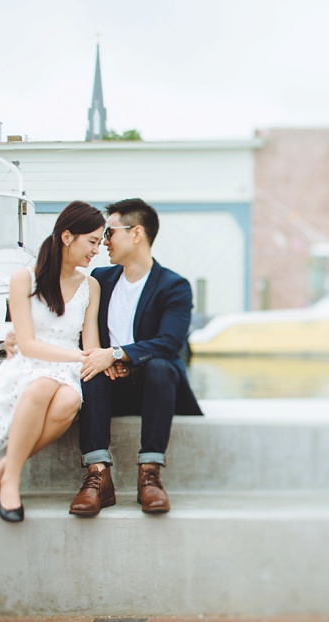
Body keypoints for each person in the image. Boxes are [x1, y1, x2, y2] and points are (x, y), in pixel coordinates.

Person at [69, 197, 203, 516]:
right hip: (105, 389)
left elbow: (169, 343)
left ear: (136, 233)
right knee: (91, 367)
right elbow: (74, 326)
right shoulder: (99, 279)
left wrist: (118, 354)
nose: (103, 243)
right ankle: (98, 477)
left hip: (152, 390)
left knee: (161, 365)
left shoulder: (174, 286)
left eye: (110, 233)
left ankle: (150, 475)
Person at [0, 201, 105, 523]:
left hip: (68, 371)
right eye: (92, 242)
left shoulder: (91, 286)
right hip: (29, 366)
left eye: (101, 243)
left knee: (69, 401)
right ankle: (10, 483)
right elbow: (28, 345)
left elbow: (91, 345)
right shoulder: (23, 279)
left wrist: (102, 359)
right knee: (43, 385)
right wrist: (78, 356)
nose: (96, 252)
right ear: (67, 237)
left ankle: (0, 473)